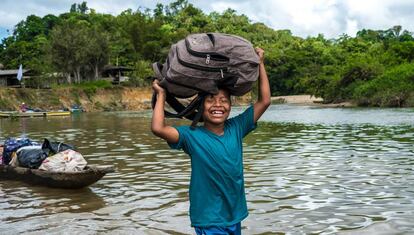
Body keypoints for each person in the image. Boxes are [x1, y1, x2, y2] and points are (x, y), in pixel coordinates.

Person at [151, 47, 271, 235]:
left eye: (224, 100)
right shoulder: (191, 136)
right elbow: (158, 128)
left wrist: (260, 64)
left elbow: (264, 101)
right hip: (208, 218)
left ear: (230, 106)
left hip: (234, 214)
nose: (218, 105)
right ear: (200, 107)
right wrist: (161, 96)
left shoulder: (237, 128)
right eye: (211, 100)